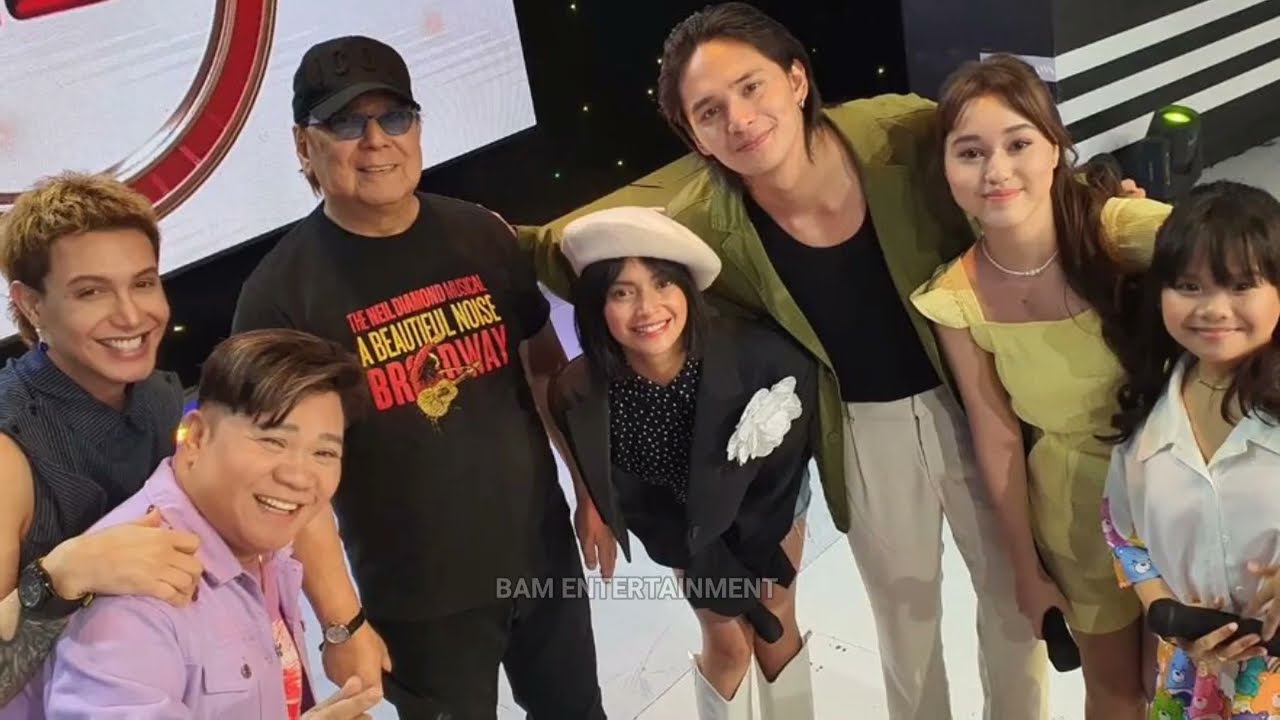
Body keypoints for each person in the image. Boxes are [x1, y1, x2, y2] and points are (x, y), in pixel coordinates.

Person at [517, 4, 1051, 717]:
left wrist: (1105, 207)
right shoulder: (704, 221)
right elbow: (572, 253)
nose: (739, 119)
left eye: (751, 87)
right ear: (693, 135)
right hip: (856, 428)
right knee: (906, 622)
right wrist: (478, 238)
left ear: (797, 79)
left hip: (975, 402)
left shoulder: (901, 132)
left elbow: (1008, 168)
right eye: (709, 111)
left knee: (1017, 605)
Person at [231, 35, 606, 719]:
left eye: (394, 117)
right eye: (346, 123)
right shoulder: (279, 297)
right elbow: (288, 483)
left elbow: (545, 369)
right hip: (420, 604)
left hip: (542, 557)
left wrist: (589, 490)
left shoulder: (481, 234)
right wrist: (342, 623)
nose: (376, 141)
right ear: (303, 145)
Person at [909, 54, 1173, 718]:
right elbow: (996, 434)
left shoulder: (1119, 230)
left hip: (1177, 490)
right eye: (971, 152)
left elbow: (1245, 264)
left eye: (1018, 144)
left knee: (1181, 686)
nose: (996, 171)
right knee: (1115, 691)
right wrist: (1026, 571)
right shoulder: (954, 298)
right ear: (946, 169)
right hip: (1075, 509)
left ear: (1055, 148)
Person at [32, 328, 381, 719]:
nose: (299, 477)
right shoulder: (135, 594)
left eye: (324, 453)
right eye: (273, 441)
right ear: (196, 437)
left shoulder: (254, 535)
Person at [551, 207, 818, 719]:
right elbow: (637, 500)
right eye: (622, 293)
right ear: (596, 305)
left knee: (775, 616)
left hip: (767, 502)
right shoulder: (581, 392)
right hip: (678, 521)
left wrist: (751, 565)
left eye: (662, 284)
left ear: (687, 289)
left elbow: (782, 469)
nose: (647, 309)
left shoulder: (762, 356)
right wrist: (707, 563)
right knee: (728, 640)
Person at [0, 173, 204, 713]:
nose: (132, 315)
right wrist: (63, 576)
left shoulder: (157, 396)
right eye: (91, 292)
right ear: (32, 304)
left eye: (143, 283)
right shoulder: (7, 451)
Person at [1102, 181, 1280, 720]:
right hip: (1193, 682)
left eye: (1241, 285)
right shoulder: (1148, 414)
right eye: (1189, 285)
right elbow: (1123, 533)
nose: (1214, 309)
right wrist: (1166, 613)